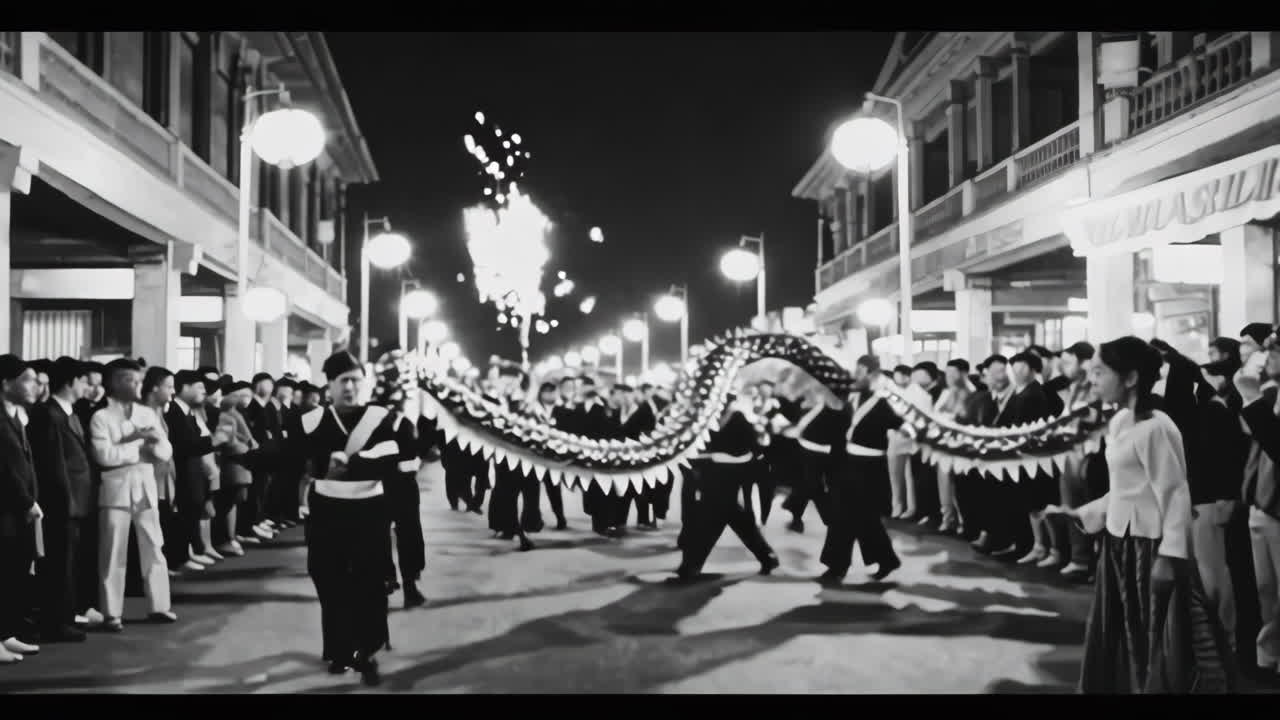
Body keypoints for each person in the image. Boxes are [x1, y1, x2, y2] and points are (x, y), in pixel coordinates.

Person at [1048, 336, 1234, 693]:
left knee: (1165, 643)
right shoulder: (1120, 423)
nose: (1092, 380)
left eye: (1100, 372)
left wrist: (1170, 556)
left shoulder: (1158, 427)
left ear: (1131, 377)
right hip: (1120, 547)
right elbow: (1122, 491)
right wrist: (1077, 513)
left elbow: (1176, 493)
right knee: (1124, 635)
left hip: (1151, 550)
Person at [297, 351, 401, 685]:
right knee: (330, 582)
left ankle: (366, 649)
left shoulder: (381, 419)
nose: (351, 387)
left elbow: (392, 456)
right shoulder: (311, 421)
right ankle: (340, 650)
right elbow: (297, 461)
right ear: (329, 385)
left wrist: (354, 465)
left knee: (369, 582)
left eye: (356, 380)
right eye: (343, 381)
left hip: (369, 512)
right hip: (327, 512)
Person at [89, 358, 177, 632]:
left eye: (140, 380)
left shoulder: (146, 414)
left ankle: (160, 605)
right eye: (132, 380)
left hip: (145, 488)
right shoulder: (101, 417)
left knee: (154, 547)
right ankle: (111, 612)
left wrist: (147, 447)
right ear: (116, 383)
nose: (139, 385)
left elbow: (165, 450)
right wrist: (139, 448)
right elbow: (104, 456)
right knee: (113, 551)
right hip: (115, 491)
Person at [673, 392, 779, 583]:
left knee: (708, 520)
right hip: (713, 475)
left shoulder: (738, 419)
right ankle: (767, 556)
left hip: (728, 477)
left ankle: (691, 566)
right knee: (737, 519)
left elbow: (751, 449)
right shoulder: (712, 419)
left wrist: (713, 457)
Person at [819, 355, 903, 586]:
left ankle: (846, 564)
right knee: (845, 515)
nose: (855, 376)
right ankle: (846, 563)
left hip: (870, 469)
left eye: (860, 372)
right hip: (847, 464)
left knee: (862, 517)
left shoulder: (886, 400)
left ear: (872, 374)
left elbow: (902, 424)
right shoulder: (852, 398)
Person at [28, 357, 94, 643]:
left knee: (68, 562)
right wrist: (64, 503)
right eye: (83, 381)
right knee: (58, 564)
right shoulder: (49, 415)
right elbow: (53, 466)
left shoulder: (70, 413)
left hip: (77, 501)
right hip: (62, 503)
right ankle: (56, 622)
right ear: (70, 383)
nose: (88, 386)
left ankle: (65, 616)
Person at [0, 355, 42, 662]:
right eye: (27, 379)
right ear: (6, 383)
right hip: (7, 508)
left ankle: (6, 634)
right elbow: (5, 469)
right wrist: (26, 501)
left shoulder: (16, 415)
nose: (35, 386)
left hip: (18, 511)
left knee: (13, 573)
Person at [385, 399, 427, 608]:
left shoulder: (370, 422)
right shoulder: (405, 424)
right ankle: (410, 588)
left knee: (378, 535)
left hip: (378, 487)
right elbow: (416, 454)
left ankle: (386, 579)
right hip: (403, 487)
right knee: (408, 535)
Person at [214, 380, 256, 558]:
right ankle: (226, 538)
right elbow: (228, 441)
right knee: (229, 500)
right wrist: (247, 449)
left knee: (235, 500)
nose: (244, 398)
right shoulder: (226, 416)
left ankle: (231, 536)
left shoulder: (236, 414)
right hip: (233, 463)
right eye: (240, 395)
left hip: (240, 462)